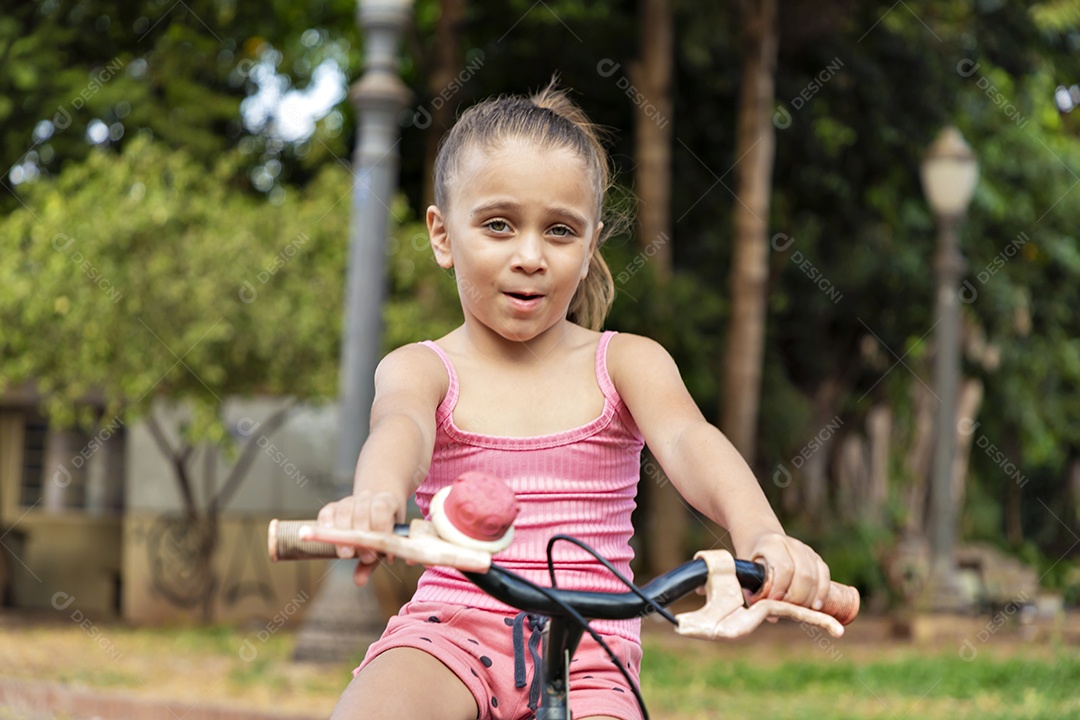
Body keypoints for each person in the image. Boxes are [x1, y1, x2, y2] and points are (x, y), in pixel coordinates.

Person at [320, 81, 834, 720]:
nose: (530, 256)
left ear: (590, 247)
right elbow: (400, 432)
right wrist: (376, 500)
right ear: (443, 234)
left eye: (560, 231)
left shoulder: (625, 362)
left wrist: (762, 535)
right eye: (498, 225)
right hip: (449, 632)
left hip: (593, 652)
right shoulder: (423, 368)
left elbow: (688, 441)